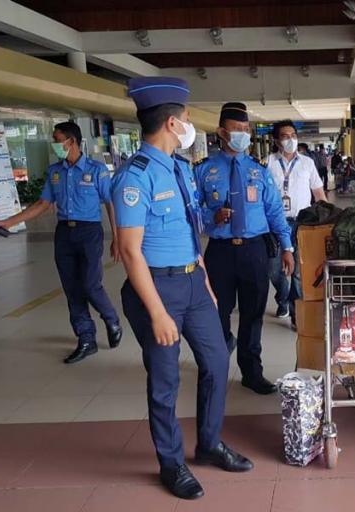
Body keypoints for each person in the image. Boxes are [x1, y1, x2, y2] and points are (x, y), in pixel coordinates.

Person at [113, 78, 253, 500]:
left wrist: (205, 280)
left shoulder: (177, 168)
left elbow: (190, 230)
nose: (191, 126)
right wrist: (156, 312)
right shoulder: (134, 178)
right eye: (188, 119)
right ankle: (171, 464)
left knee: (215, 360)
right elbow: (130, 251)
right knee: (165, 379)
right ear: (173, 123)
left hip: (193, 281)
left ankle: (208, 444)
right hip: (156, 288)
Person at [0, 121, 122, 364]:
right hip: (64, 235)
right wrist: (8, 222)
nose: (54, 144)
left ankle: (111, 318)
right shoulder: (55, 172)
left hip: (89, 232)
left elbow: (110, 203)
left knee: (91, 285)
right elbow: (42, 205)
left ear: (70, 141)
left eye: (56, 139)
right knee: (72, 289)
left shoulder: (96, 170)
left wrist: (116, 237)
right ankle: (86, 339)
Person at [194, 104, 294, 395]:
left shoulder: (258, 171)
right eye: (237, 130)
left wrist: (287, 247)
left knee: (253, 314)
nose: (243, 135)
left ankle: (252, 372)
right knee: (217, 312)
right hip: (220, 251)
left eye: (246, 130)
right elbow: (192, 213)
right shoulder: (204, 170)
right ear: (222, 132)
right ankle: (217, 364)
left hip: (254, 250)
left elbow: (275, 210)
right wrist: (212, 217)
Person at [267, 120, 327, 328]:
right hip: (275, 223)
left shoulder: (307, 163)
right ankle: (282, 298)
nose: (290, 139)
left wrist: (330, 215)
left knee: (300, 271)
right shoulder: (268, 163)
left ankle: (296, 313)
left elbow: (318, 192)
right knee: (276, 270)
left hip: (303, 221)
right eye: (285, 136)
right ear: (276, 140)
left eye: (293, 135)